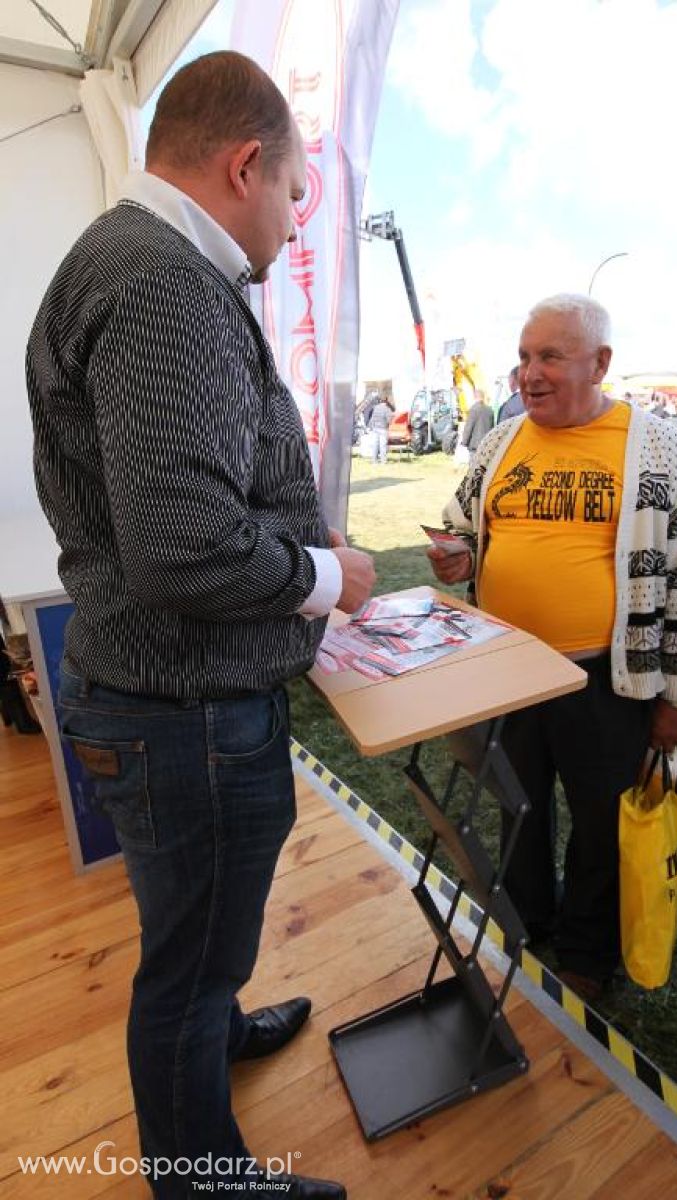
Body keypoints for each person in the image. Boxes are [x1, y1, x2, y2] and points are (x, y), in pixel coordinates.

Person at [26, 51, 376, 1200]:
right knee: (187, 963)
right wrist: (328, 576)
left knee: (196, 934)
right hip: (184, 711)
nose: (287, 223)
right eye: (289, 194)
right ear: (243, 166)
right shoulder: (165, 282)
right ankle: (202, 1178)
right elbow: (184, 547)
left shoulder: (130, 264)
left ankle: (211, 1037)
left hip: (165, 696)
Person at [427, 294, 677, 1001]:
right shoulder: (502, 440)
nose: (530, 373)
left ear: (601, 363)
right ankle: (529, 920)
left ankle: (586, 955)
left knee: (600, 822)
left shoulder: (659, 451)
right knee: (515, 805)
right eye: (524, 357)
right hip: (506, 672)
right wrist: (458, 553)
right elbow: (462, 521)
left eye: (550, 356)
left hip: (603, 682)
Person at [460, 389, 494, 463]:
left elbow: (468, 428)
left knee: (473, 469)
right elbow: (492, 428)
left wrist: (464, 442)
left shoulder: (473, 409)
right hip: (486, 445)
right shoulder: (490, 410)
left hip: (475, 446)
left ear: (475, 397)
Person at [369, 394, 395, 464]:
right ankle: (383, 461)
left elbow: (372, 418)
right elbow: (389, 420)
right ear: (386, 401)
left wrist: (371, 427)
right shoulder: (387, 409)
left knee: (375, 444)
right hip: (383, 428)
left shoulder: (376, 407)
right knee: (382, 445)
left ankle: (374, 461)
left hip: (375, 428)